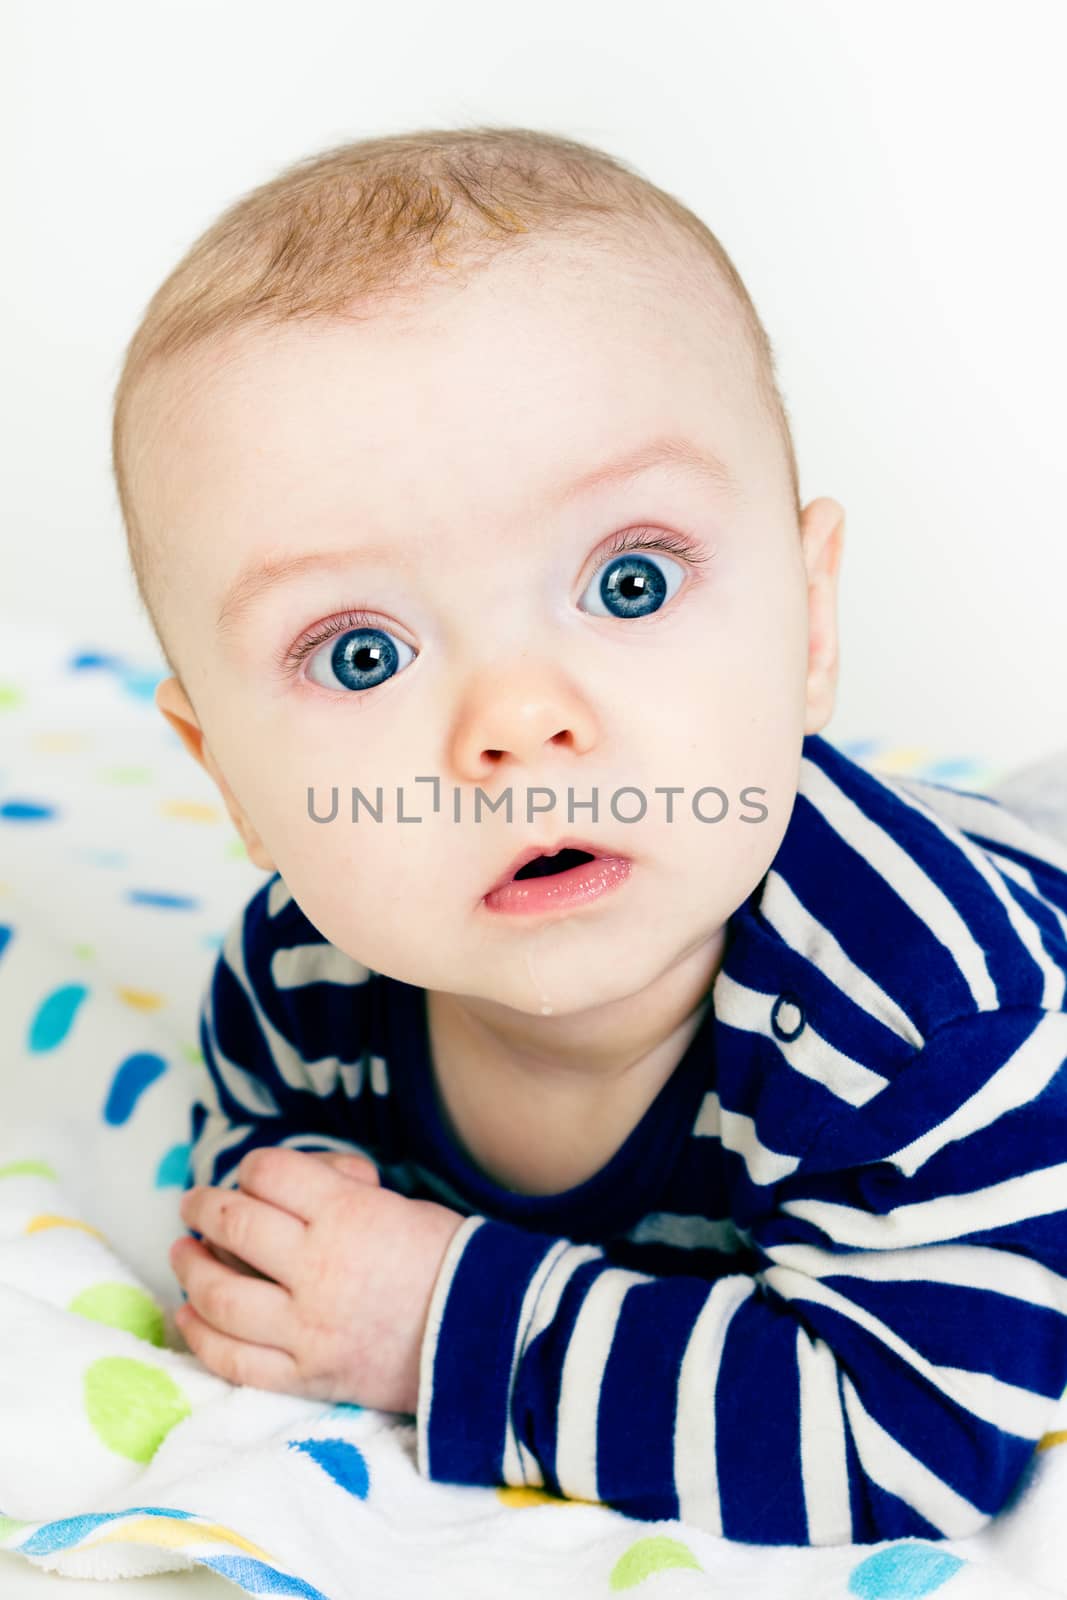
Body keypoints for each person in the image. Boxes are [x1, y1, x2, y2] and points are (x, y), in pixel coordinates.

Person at [110, 125, 1067, 1546]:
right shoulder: (299, 985)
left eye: (627, 581)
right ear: (229, 780)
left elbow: (918, 1437)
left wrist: (431, 1318)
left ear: (810, 622)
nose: (518, 723)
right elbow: (279, 1238)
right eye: (360, 655)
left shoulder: (933, 1024)